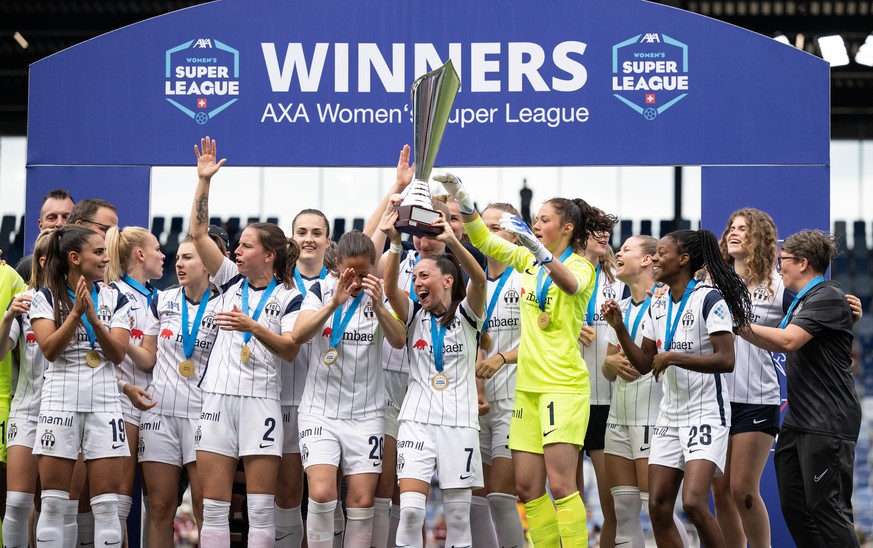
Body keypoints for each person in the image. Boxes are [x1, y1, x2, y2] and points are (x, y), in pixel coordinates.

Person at [440, 173, 615, 547]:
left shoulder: (583, 266)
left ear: (567, 228)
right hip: (528, 389)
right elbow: (484, 240)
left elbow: (568, 284)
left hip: (563, 387)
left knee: (562, 484)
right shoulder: (528, 262)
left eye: (544, 220)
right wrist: (464, 199)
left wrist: (537, 248)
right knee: (527, 487)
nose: (535, 224)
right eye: (534, 219)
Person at [602, 229, 752, 548]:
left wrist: (673, 357)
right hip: (669, 416)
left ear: (683, 260)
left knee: (694, 504)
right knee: (657, 507)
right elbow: (644, 363)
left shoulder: (710, 299)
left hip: (706, 413)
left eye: (662, 253)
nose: (654, 258)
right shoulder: (659, 304)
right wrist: (619, 328)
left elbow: (726, 360)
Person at [189, 136, 302, 547]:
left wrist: (251, 326)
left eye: (246, 246)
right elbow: (198, 232)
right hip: (217, 398)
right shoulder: (229, 281)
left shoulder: (292, 296)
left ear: (269, 255)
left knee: (260, 513)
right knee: (214, 510)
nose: (236, 251)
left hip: (261, 401)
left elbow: (290, 349)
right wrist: (204, 182)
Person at [739, 229, 861, 548]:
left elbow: (789, 341)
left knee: (827, 509)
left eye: (784, 261)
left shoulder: (827, 296)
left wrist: (736, 324)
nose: (779, 267)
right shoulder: (809, 300)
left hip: (827, 421)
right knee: (794, 507)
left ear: (803, 263)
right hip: (799, 420)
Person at [380, 200, 487, 548]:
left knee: (458, 517)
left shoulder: (470, 315)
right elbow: (391, 287)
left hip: (460, 423)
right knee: (411, 512)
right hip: (416, 421)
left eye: (424, 276)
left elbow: (481, 278)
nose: (417, 282)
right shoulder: (413, 315)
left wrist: (453, 241)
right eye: (415, 277)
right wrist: (395, 244)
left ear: (447, 280)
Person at [292, 231, 406, 547]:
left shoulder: (383, 293)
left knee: (362, 500)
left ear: (374, 268)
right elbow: (299, 335)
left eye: (365, 272)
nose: (356, 279)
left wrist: (380, 306)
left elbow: (399, 340)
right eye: (350, 272)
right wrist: (333, 304)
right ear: (338, 264)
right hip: (320, 413)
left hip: (367, 414)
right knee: (322, 492)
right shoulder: (319, 290)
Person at [29, 226, 133, 547]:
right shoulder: (45, 297)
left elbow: (117, 353)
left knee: (106, 507)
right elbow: (49, 349)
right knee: (54, 503)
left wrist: (95, 320)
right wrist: (75, 315)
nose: (105, 258)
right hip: (59, 401)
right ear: (75, 258)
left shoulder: (116, 297)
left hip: (105, 403)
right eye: (98, 252)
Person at [601, 235, 689, 548]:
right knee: (623, 510)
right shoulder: (620, 307)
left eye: (626, 249)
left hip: (653, 414)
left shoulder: (666, 304)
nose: (618, 254)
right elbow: (607, 368)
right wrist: (610, 364)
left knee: (657, 508)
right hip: (618, 416)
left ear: (648, 260)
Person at [139, 237, 221, 546]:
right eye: (178, 257)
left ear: (206, 263)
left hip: (204, 415)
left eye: (188, 257)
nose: (178, 263)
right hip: (160, 414)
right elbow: (148, 356)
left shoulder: (224, 303)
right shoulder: (162, 300)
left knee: (205, 508)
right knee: (160, 508)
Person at [469, 203, 526, 548]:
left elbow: (544, 343)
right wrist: (475, 389)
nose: (489, 233)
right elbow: (474, 340)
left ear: (516, 235)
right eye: (484, 227)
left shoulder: (527, 278)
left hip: (516, 400)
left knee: (502, 496)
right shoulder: (473, 281)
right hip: (479, 404)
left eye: (497, 227)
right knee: (476, 499)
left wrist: (504, 358)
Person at [275, 208, 332, 548]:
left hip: (328, 402)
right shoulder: (278, 282)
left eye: (316, 232)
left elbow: (372, 239)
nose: (308, 238)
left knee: (326, 496)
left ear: (328, 240)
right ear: (291, 237)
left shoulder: (339, 284)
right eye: (301, 231)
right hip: (283, 398)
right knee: (287, 493)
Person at [103, 225, 164, 538]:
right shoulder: (111, 294)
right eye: (157, 249)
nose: (163, 256)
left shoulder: (160, 298)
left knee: (158, 502)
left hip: (155, 409)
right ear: (140, 254)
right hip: (122, 404)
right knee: (119, 495)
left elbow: (151, 358)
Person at [1, 231, 52, 547]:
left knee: (56, 505)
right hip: (26, 408)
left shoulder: (81, 302)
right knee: (18, 503)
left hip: (67, 411)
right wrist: (7, 316)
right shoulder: (25, 301)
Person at [577, 227, 625, 548]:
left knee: (613, 507)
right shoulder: (556, 280)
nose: (604, 236)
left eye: (607, 231)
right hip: (566, 399)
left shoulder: (619, 286)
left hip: (605, 403)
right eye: (595, 230)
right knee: (568, 501)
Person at [15, 189, 74, 281]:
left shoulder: (90, 264)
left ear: (76, 223)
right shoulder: (26, 267)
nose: (59, 223)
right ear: (40, 225)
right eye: (52, 217)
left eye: (66, 217)